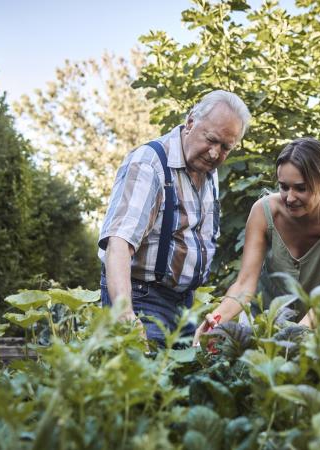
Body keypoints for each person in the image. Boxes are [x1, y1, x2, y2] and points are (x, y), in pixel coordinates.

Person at [98, 90, 251, 346]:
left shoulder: (207, 171)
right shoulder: (149, 164)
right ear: (190, 122)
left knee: (182, 382)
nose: (215, 154)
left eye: (226, 147)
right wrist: (125, 313)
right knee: (147, 382)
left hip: (184, 305)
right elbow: (119, 243)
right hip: (141, 299)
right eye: (211, 140)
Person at [193, 137, 320, 343]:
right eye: (284, 187)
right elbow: (245, 284)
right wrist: (217, 320)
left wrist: (294, 338)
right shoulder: (264, 211)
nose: (290, 197)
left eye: (301, 188)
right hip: (261, 325)